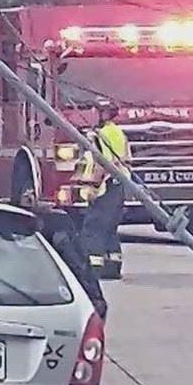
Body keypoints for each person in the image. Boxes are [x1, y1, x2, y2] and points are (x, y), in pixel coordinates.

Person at [77, 101, 131, 280]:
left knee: (93, 228)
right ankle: (113, 267)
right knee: (110, 228)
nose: (91, 114)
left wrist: (92, 188)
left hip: (105, 186)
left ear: (104, 114)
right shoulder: (117, 132)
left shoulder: (101, 134)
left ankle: (94, 269)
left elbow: (101, 163)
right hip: (119, 184)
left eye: (94, 111)